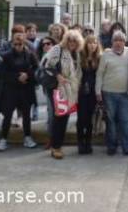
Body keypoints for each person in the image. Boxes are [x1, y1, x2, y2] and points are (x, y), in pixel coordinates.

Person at [95, 31, 128, 156]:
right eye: (116, 40)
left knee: (126, 121)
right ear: (112, 42)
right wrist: (98, 92)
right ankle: (111, 146)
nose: (118, 43)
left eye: (121, 40)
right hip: (108, 93)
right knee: (111, 122)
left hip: (123, 94)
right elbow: (99, 74)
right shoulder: (106, 55)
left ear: (124, 42)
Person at [0, 30, 38, 152]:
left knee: (26, 115)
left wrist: (27, 75)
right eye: (16, 44)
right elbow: (2, 73)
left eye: (20, 43)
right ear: (12, 43)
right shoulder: (6, 56)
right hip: (10, 90)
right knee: (7, 116)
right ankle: (3, 139)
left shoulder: (30, 55)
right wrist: (17, 77)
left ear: (24, 43)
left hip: (26, 90)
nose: (18, 46)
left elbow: (36, 68)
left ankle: (28, 137)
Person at [44, 30, 84, 159]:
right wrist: (58, 76)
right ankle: (55, 147)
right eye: (70, 40)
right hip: (58, 87)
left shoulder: (76, 53)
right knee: (59, 117)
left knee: (64, 117)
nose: (72, 43)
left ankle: (57, 145)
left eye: (75, 41)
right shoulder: (58, 49)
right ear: (66, 40)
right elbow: (47, 65)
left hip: (70, 88)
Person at [78, 35, 102, 155]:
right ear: (86, 44)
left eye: (95, 43)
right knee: (81, 118)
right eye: (90, 43)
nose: (92, 45)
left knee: (90, 119)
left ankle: (88, 142)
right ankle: (80, 143)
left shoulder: (99, 58)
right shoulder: (80, 56)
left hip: (93, 92)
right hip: (81, 92)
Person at [37, 36, 57, 149]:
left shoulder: (58, 56)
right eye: (43, 44)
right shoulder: (43, 57)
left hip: (59, 89)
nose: (46, 46)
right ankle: (51, 139)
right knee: (51, 116)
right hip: (49, 89)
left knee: (58, 115)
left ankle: (56, 139)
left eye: (48, 43)